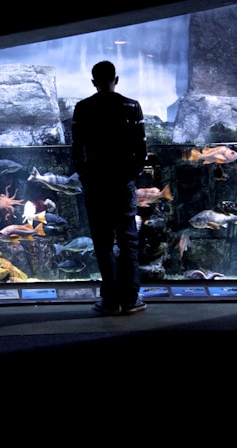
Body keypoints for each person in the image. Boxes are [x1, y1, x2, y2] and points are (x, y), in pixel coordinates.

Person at [71, 60, 148, 315]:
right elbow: (141, 150)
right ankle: (130, 298)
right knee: (128, 241)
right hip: (122, 183)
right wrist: (129, 175)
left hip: (95, 185)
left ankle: (110, 299)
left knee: (102, 242)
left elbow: (77, 152)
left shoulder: (83, 108)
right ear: (117, 79)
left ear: (93, 82)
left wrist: (87, 177)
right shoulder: (131, 106)